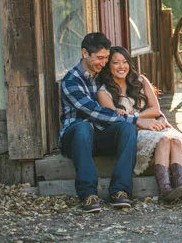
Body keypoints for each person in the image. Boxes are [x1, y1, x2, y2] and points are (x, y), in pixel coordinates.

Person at [59, 32, 166, 213]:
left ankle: (120, 191)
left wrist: (158, 116)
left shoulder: (102, 75)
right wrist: (138, 120)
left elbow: (130, 88)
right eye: (99, 58)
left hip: (99, 135)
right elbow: (95, 112)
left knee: (126, 128)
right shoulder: (71, 81)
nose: (103, 63)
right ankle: (88, 194)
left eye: (106, 58)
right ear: (85, 53)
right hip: (76, 139)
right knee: (84, 126)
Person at [98, 46, 182, 202]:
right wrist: (140, 121)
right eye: (116, 63)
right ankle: (165, 190)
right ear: (108, 66)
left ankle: (181, 187)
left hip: (151, 126)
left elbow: (155, 109)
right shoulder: (103, 92)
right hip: (132, 134)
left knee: (176, 141)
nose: (121, 67)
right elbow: (115, 120)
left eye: (125, 62)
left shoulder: (140, 80)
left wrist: (139, 117)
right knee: (164, 140)